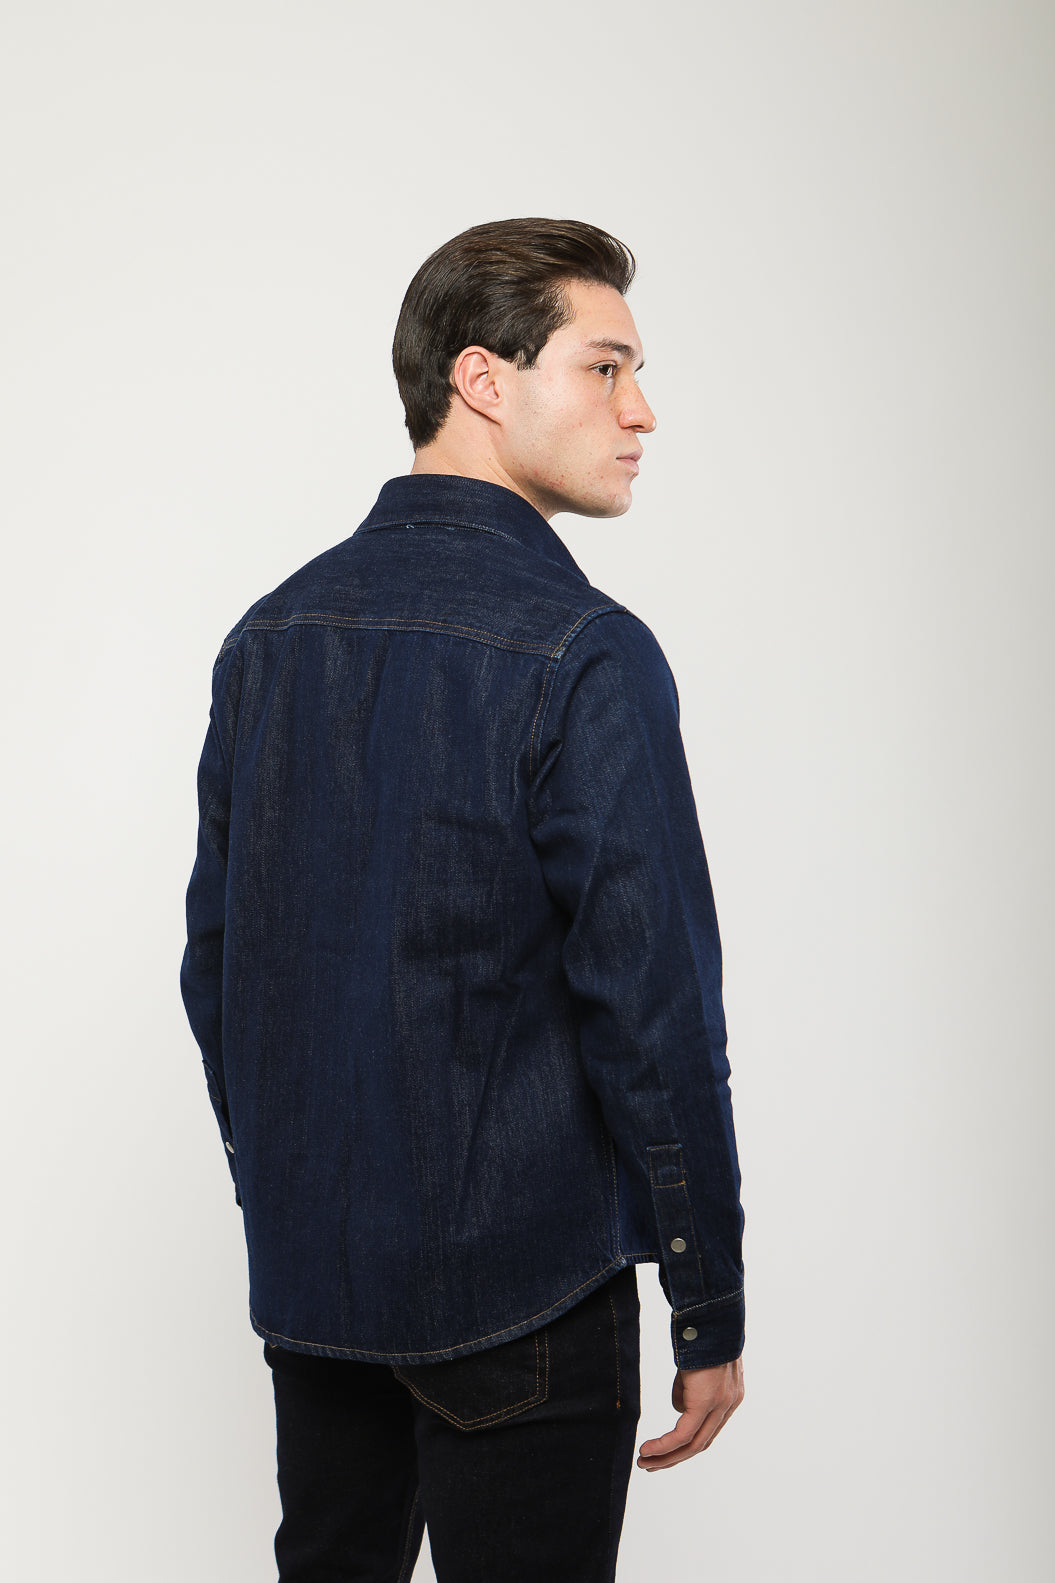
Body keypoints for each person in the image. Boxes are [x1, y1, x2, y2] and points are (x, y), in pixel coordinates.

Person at [181, 217, 745, 1583]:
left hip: (317, 1294)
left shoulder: (272, 636)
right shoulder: (585, 652)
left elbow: (218, 971)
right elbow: (652, 1009)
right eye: (605, 368)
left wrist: (291, 1204)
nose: (641, 412)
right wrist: (707, 1298)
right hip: (525, 1293)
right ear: (482, 379)